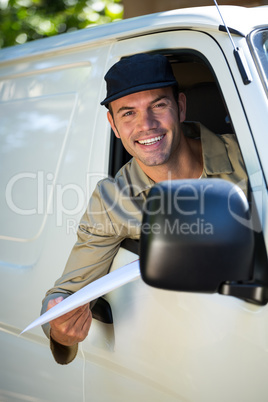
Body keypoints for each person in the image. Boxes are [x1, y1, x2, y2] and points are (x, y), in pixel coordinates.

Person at [41, 53, 248, 364]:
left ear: (180, 106)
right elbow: (66, 293)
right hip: (182, 356)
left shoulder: (253, 156)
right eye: (128, 113)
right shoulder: (112, 199)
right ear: (113, 124)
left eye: (158, 106)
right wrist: (60, 328)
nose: (145, 126)